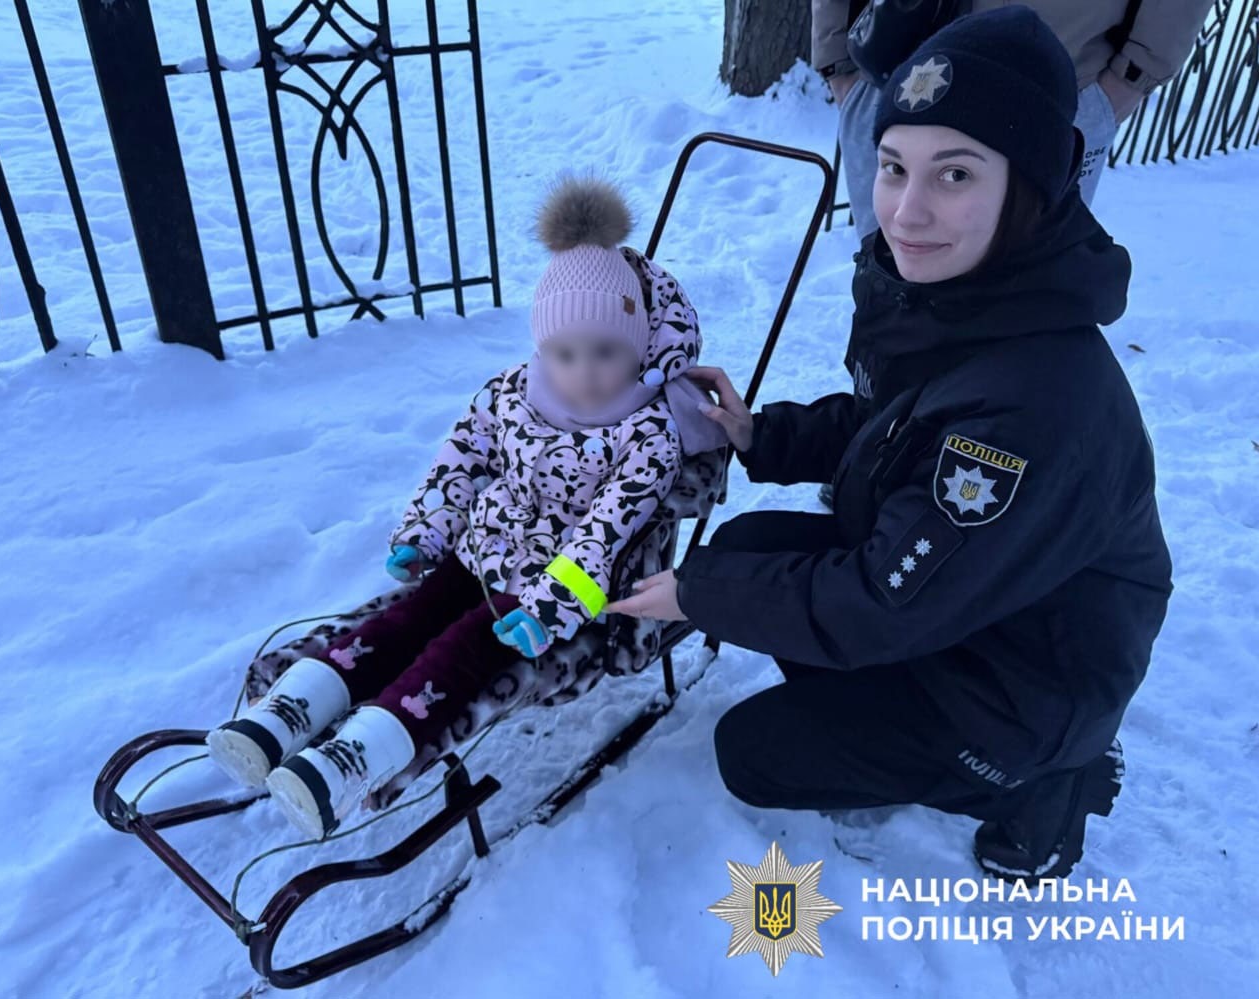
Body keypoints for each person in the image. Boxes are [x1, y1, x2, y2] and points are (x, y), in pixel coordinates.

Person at [609, 7, 1173, 882]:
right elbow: (890, 424)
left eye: (956, 174)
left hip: (1024, 684)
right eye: (895, 166)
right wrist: (762, 435)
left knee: (755, 752)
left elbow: (877, 603)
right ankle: (891, 710)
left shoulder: (1037, 405)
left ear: (1031, 185)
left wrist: (696, 593)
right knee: (749, 552)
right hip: (971, 603)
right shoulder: (967, 288)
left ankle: (1043, 780)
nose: (907, 211)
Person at [204, 177, 725, 840]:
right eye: (565, 354)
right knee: (407, 618)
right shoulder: (515, 390)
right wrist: (427, 531)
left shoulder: (647, 433)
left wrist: (550, 607)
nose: (584, 373)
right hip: (482, 549)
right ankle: (289, 711)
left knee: (463, 649)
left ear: (639, 348)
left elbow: (605, 533)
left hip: (555, 589)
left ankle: (353, 758)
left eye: (606, 353)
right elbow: (463, 458)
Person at [817, 0, 1215, 239]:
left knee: (1025, 298)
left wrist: (1132, 77)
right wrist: (834, 56)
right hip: (891, 72)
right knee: (887, 283)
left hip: (1062, 90)